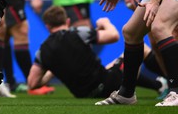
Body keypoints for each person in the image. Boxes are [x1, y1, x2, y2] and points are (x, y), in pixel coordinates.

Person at [27, 6, 168, 98]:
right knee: (140, 48)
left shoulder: (43, 50)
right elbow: (114, 36)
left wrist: (51, 70)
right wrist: (105, 23)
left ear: (47, 26)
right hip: (106, 86)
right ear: (68, 21)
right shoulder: (77, 33)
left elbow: (32, 83)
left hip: (83, 94)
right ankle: (172, 80)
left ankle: (159, 85)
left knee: (111, 67)